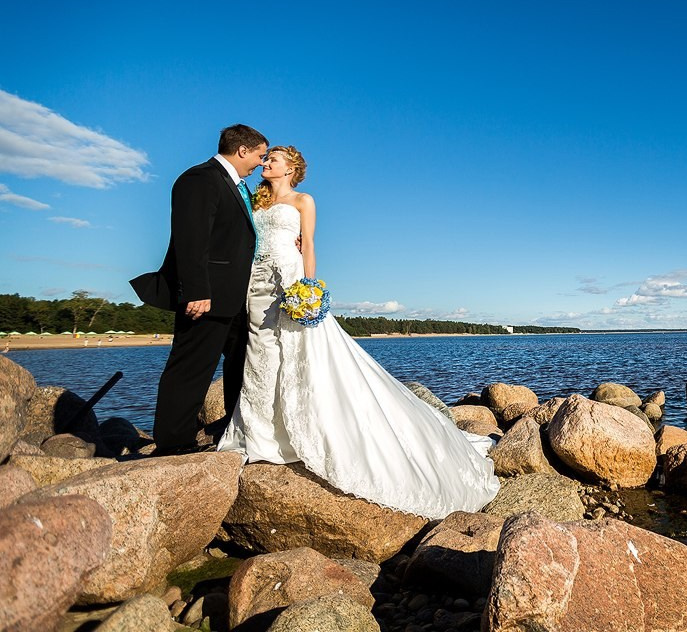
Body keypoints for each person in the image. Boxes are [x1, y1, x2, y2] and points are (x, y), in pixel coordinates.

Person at [217, 146, 499, 518]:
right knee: (261, 354)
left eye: (274, 159)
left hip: (290, 279)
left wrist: (308, 288)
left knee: (304, 353)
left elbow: (309, 245)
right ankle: (261, 434)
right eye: (265, 158)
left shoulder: (304, 200)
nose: (266, 162)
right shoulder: (257, 199)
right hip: (257, 285)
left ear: (291, 167)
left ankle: (305, 431)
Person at [134, 124, 268, 455]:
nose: (261, 163)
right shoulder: (200, 179)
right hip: (206, 297)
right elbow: (191, 239)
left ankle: (233, 429)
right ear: (242, 151)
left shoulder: (239, 188)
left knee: (240, 367)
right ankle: (173, 443)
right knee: (191, 367)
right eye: (260, 155)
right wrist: (197, 290)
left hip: (237, 299)